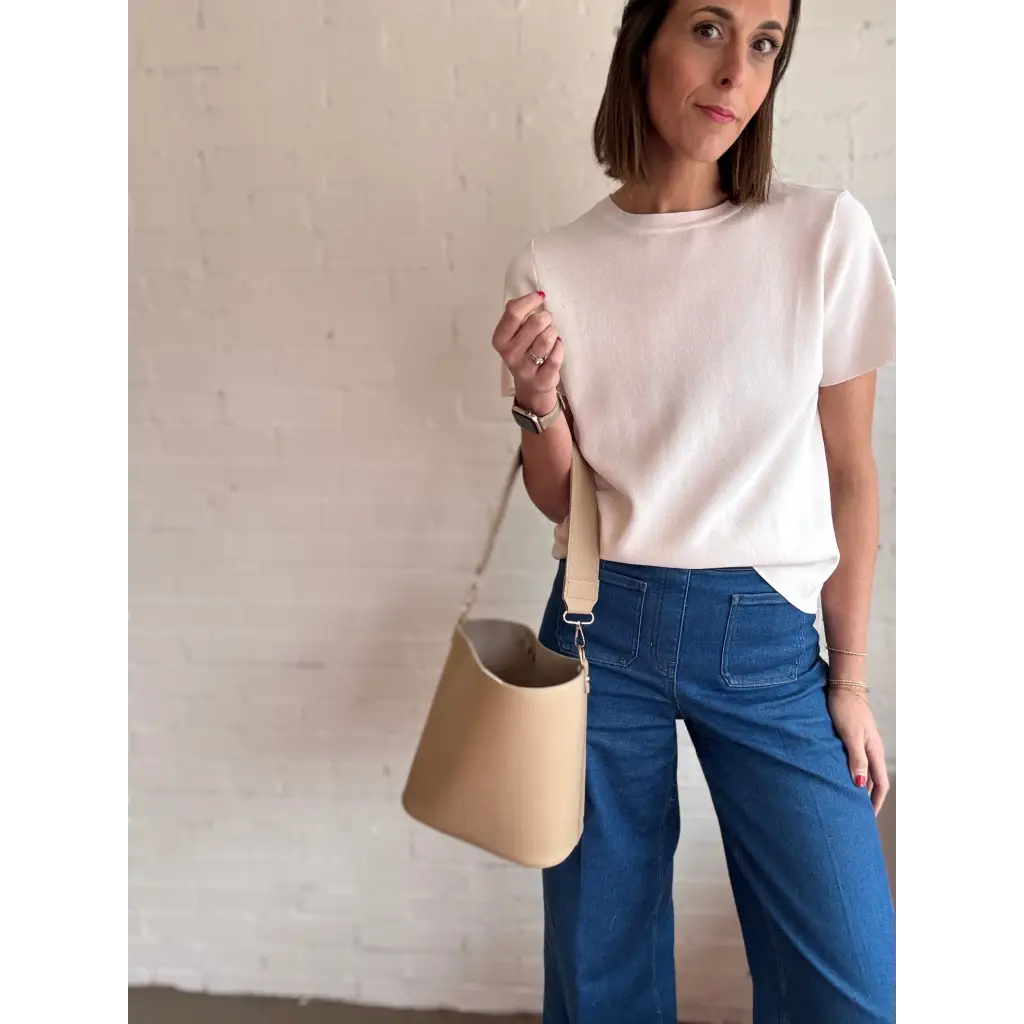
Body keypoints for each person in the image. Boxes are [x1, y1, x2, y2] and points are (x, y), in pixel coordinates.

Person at [489, 1, 896, 1021]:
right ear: (643, 44)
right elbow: (559, 494)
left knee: (848, 982)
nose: (736, 72)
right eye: (708, 29)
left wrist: (846, 676)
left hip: (765, 636)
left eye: (765, 44)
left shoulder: (820, 233)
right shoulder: (556, 260)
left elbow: (850, 470)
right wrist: (534, 403)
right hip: (596, 627)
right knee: (600, 968)